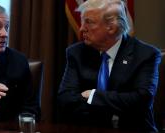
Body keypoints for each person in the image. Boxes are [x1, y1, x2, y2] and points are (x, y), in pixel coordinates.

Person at [58, 0, 161, 132]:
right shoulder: (77, 53)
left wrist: (93, 96)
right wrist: (119, 103)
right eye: (83, 21)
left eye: (89, 22)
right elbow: (65, 100)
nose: (82, 28)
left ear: (111, 28)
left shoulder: (145, 55)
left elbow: (141, 101)